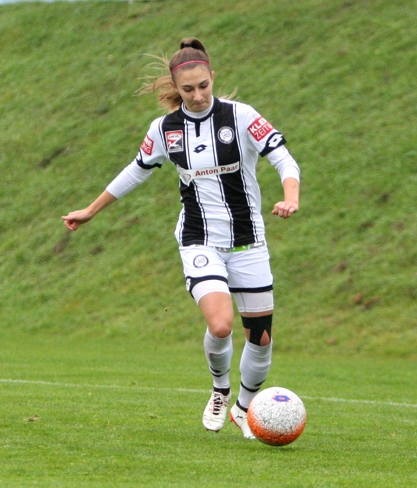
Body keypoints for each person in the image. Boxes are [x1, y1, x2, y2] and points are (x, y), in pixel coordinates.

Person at [62, 38, 301, 439]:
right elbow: (136, 169)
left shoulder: (241, 117)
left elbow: (282, 156)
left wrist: (290, 197)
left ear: (212, 78)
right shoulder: (165, 129)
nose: (197, 95)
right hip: (198, 240)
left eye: (203, 86)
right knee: (221, 325)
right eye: (188, 89)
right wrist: (90, 209)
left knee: (259, 339)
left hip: (248, 242)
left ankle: (244, 407)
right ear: (176, 86)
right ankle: (220, 390)